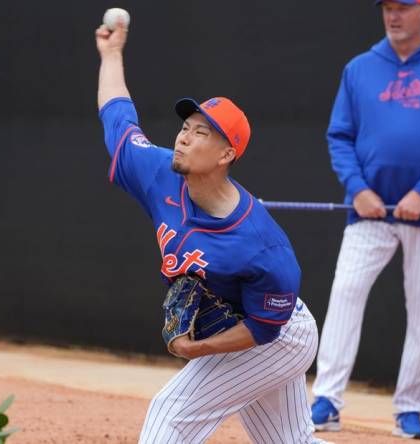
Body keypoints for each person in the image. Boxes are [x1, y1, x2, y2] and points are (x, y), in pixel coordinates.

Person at [95, 20, 330, 444]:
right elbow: (117, 117)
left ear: (226, 154)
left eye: (201, 132)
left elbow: (264, 329)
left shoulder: (262, 244)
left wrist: (196, 350)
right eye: (186, 126)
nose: (184, 137)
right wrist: (112, 54)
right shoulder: (159, 173)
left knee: (171, 414)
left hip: (277, 335)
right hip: (255, 327)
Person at [310, 0, 420, 439]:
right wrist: (358, 188)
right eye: (387, 7)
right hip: (368, 209)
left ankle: (410, 409)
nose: (393, 15)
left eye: (403, 7)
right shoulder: (359, 68)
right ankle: (326, 399)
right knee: (345, 293)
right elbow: (339, 136)